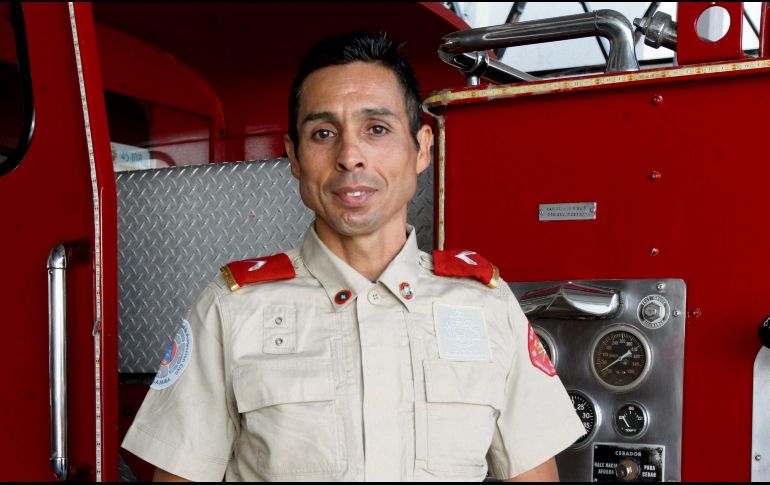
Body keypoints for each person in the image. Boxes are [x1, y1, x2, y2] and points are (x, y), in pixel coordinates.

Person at [122, 31, 585, 482]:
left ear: (422, 148)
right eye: (323, 133)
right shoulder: (232, 309)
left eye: (377, 128)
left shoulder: (486, 306)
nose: (350, 156)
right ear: (295, 158)